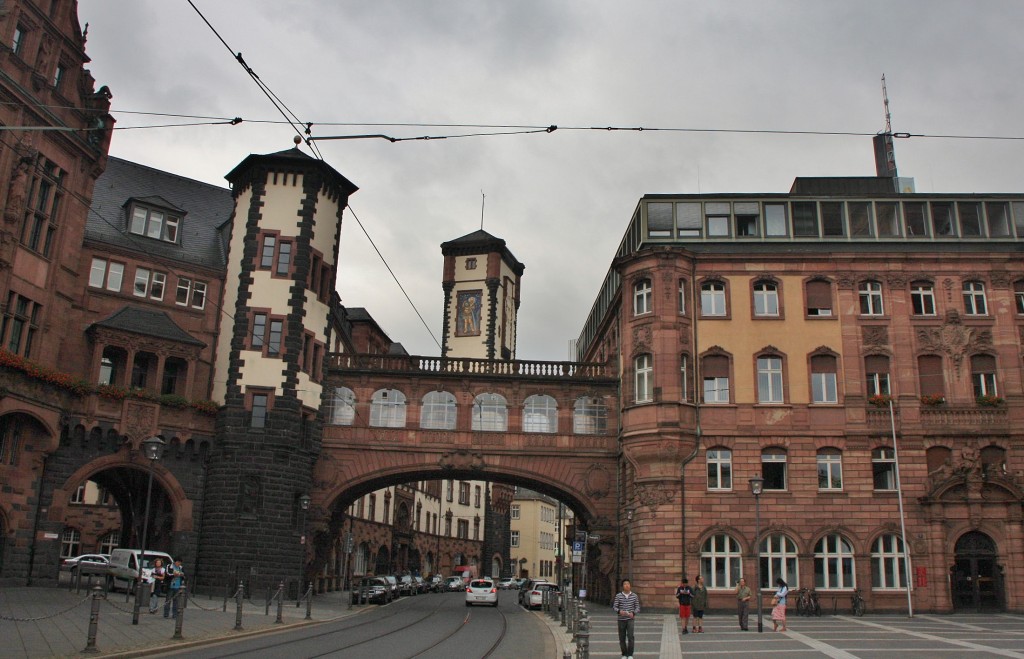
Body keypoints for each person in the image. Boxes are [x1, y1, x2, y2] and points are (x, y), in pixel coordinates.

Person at [612, 578, 640, 659]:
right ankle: (624, 654)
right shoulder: (618, 596)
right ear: (622, 586)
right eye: (625, 584)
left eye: (628, 584)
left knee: (631, 636)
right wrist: (619, 611)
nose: (627, 585)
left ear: (630, 585)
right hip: (621, 619)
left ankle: (630, 654)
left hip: (630, 619)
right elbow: (614, 607)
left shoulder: (634, 596)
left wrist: (633, 613)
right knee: (622, 637)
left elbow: (637, 607)